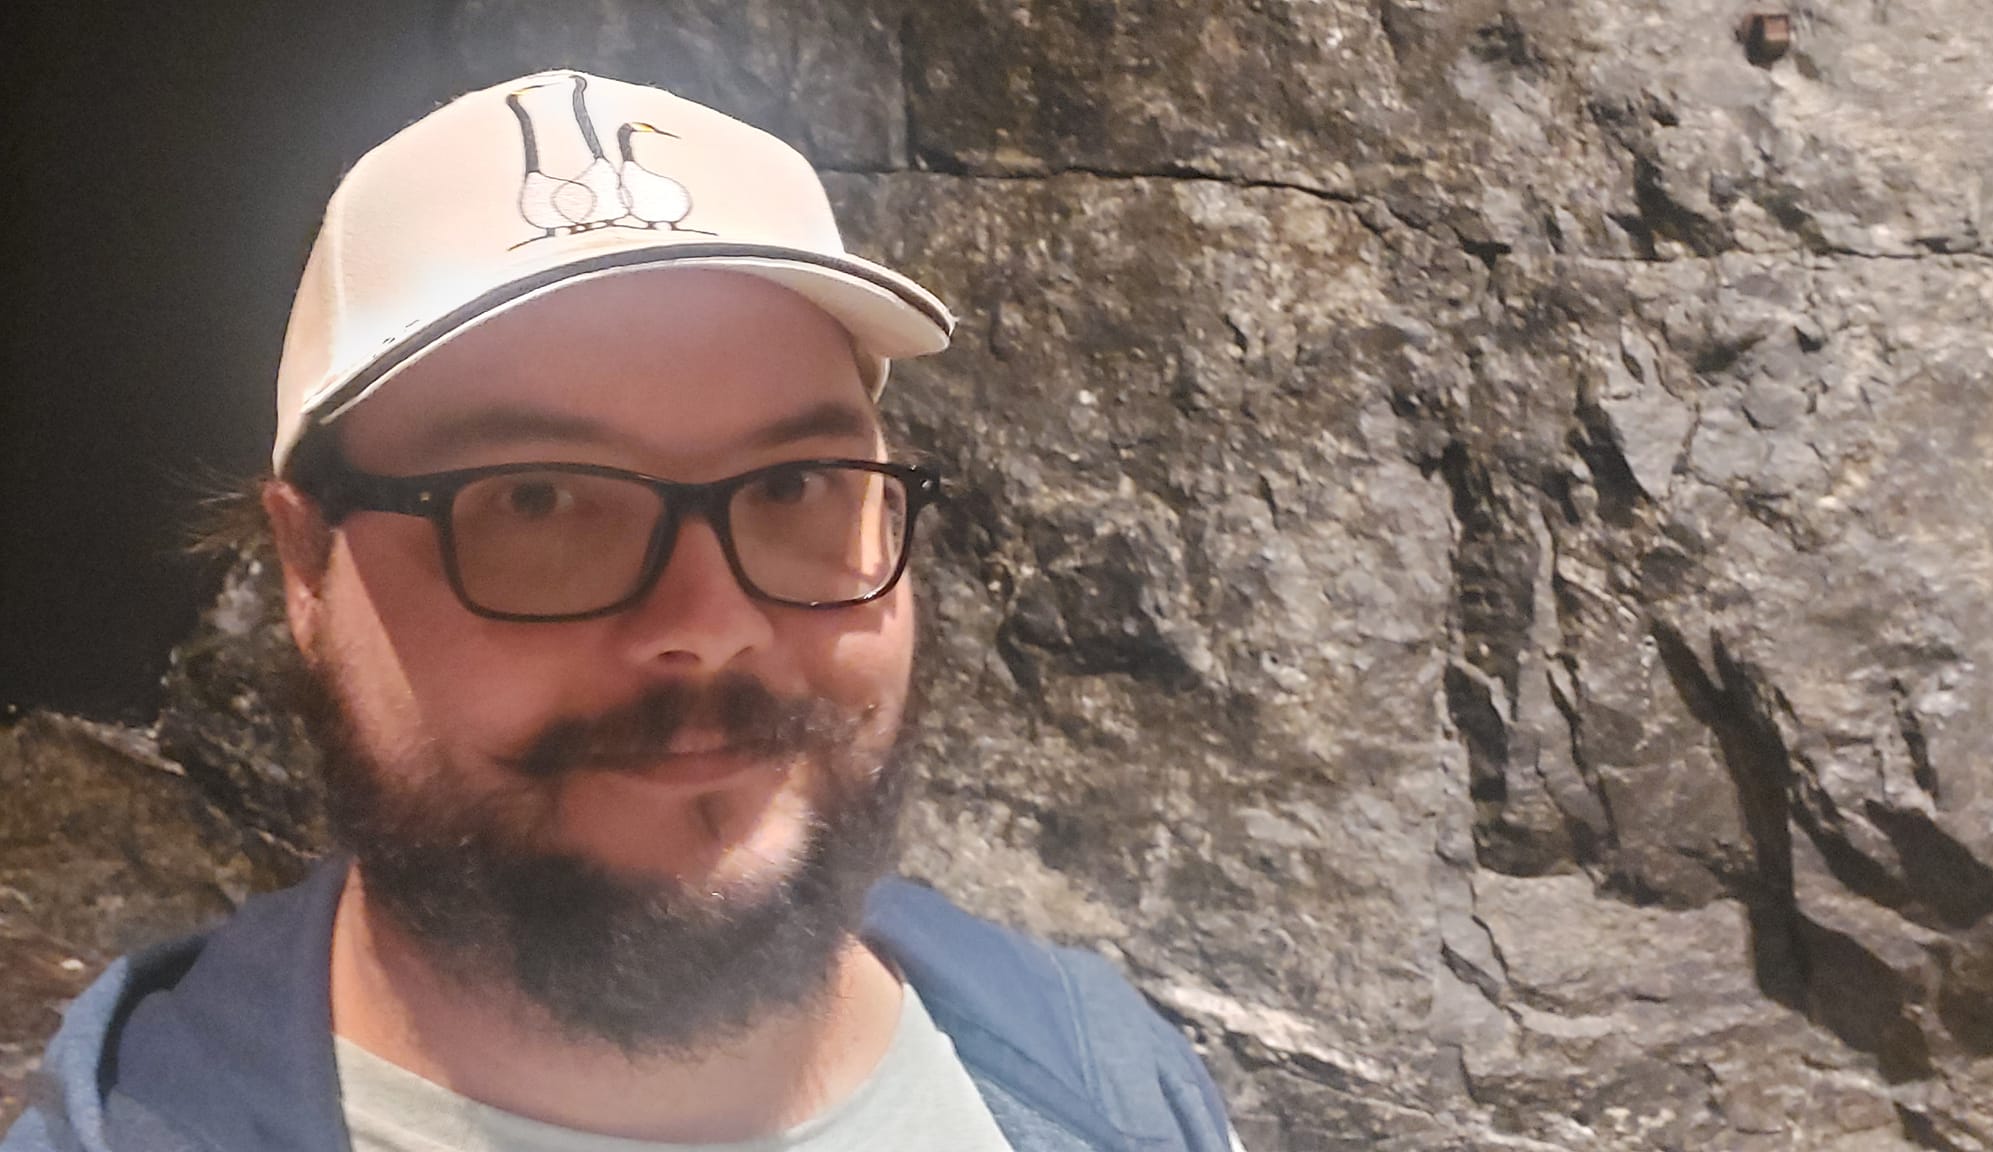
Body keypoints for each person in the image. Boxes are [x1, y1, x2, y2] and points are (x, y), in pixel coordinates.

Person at [2, 70, 1239, 1152]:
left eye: (795, 483)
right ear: (307, 569)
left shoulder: (1108, 1081)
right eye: (536, 501)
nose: (710, 624)